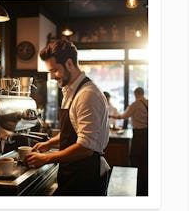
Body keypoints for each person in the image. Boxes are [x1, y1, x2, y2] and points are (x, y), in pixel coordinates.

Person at [25, 39, 110, 196]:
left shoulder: (87, 95)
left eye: (55, 70)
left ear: (69, 64)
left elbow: (85, 148)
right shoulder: (70, 90)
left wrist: (46, 158)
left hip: (85, 176)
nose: (52, 76)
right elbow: (73, 132)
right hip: (72, 171)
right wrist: (49, 143)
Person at [110, 87, 148, 196]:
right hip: (149, 133)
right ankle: (146, 182)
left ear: (136, 94)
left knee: (136, 156)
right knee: (146, 157)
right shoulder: (149, 102)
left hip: (139, 134)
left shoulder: (135, 105)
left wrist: (112, 116)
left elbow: (123, 116)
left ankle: (138, 182)